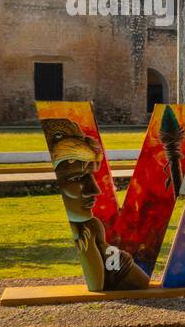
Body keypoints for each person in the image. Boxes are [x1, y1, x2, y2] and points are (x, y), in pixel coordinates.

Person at [41, 117, 149, 291]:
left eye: (91, 176)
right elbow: (97, 286)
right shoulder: (88, 230)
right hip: (118, 269)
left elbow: (99, 284)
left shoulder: (91, 227)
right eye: (78, 178)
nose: (95, 190)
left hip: (120, 267)